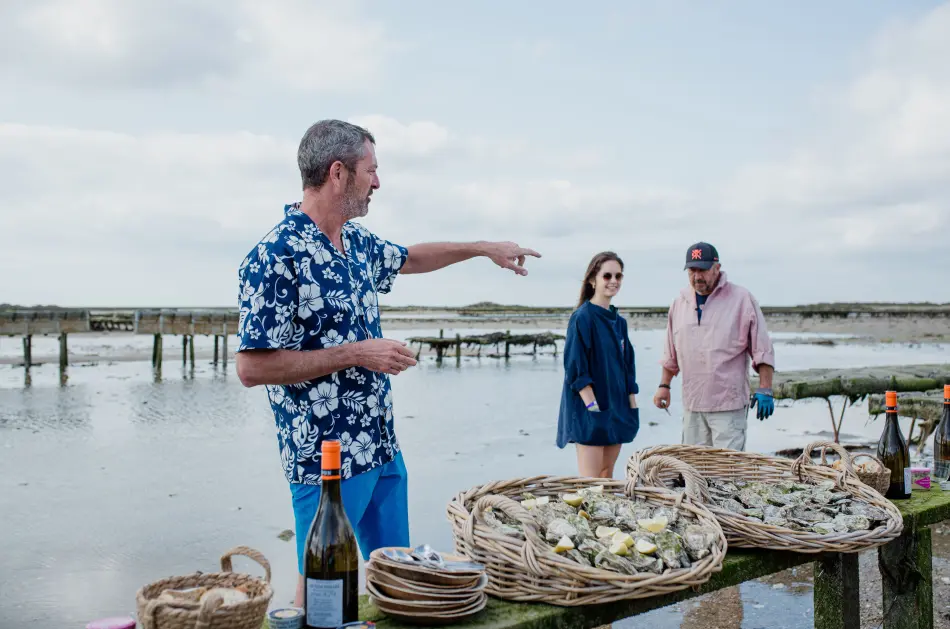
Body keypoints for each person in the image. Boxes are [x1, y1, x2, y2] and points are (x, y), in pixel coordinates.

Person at [234, 119, 541, 606]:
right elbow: (251, 368)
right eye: (370, 170)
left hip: (380, 448)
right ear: (338, 173)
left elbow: (412, 258)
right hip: (325, 462)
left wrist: (484, 248)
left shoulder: (356, 243)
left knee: (395, 581)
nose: (377, 182)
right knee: (320, 592)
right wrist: (358, 353)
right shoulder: (274, 255)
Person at [652, 242, 775, 451]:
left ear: (717, 268)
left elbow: (762, 347)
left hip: (729, 405)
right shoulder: (679, 302)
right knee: (694, 469)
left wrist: (765, 388)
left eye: (703, 270)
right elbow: (671, 351)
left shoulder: (741, 299)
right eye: (692, 270)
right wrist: (664, 386)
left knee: (727, 473)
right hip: (693, 403)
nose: (697, 277)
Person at [557, 251, 640, 478]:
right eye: (607, 276)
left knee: (607, 476)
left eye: (618, 276)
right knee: (591, 484)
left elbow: (628, 369)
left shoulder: (619, 322)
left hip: (618, 410)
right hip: (591, 411)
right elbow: (576, 369)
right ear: (593, 279)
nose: (613, 281)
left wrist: (632, 407)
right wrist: (593, 409)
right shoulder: (582, 317)